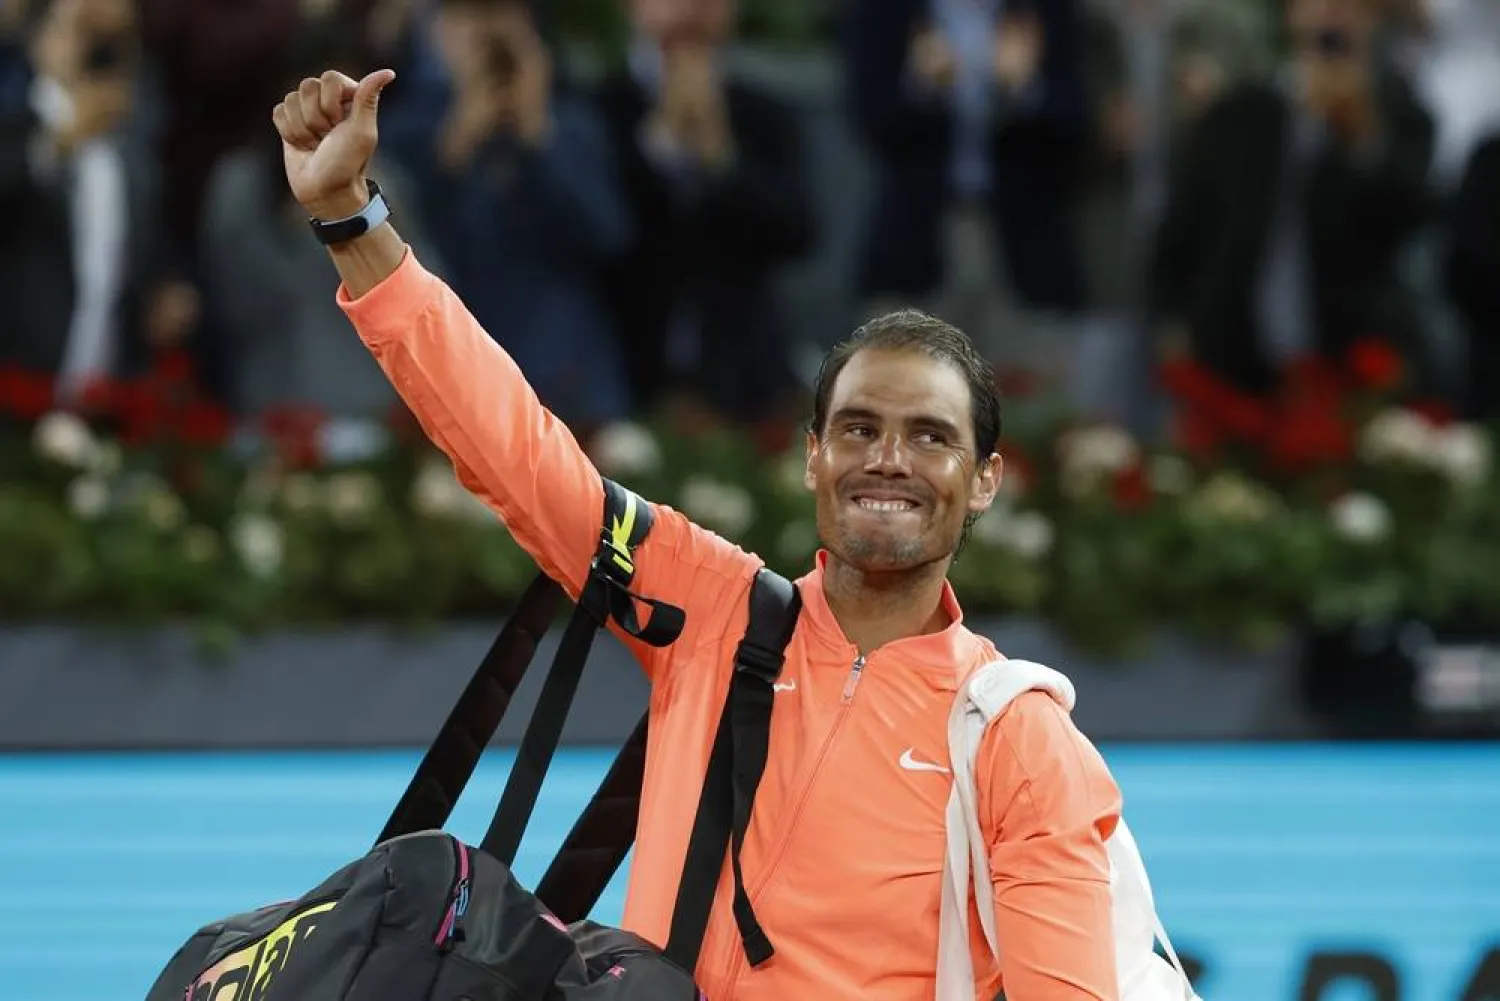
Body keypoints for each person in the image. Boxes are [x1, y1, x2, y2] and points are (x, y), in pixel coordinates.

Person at [271, 67, 1123, 1000]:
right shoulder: (714, 608)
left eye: (931, 436)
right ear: (812, 457)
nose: (888, 459)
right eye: (858, 427)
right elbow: (515, 451)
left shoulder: (1018, 738)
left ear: (985, 480)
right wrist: (352, 220)